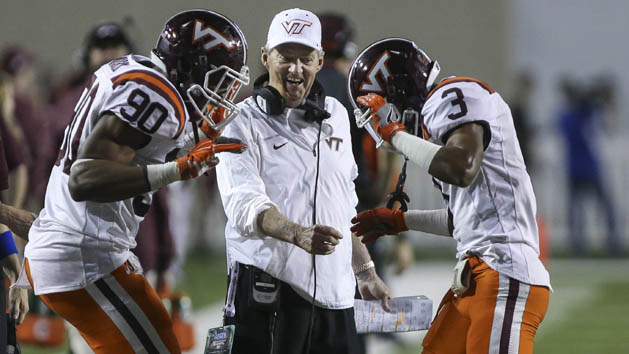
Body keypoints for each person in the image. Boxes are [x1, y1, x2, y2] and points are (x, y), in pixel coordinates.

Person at [20, 9, 250, 353]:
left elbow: (131, 151)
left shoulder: (132, 70)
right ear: (192, 67)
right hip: (86, 251)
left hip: (78, 244)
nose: (222, 93)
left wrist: (187, 142)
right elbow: (85, 178)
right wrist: (178, 169)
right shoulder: (157, 95)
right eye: (218, 79)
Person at [348, 38, 550, 354]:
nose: (376, 128)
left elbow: (461, 167)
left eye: (377, 113)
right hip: (476, 278)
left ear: (396, 94)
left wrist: (394, 134)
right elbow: (463, 219)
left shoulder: (452, 93)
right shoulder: (439, 127)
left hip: (503, 272)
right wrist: (402, 221)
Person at [216, 8, 391, 354]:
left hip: (336, 298)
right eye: (286, 57)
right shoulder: (239, 121)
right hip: (267, 295)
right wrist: (298, 233)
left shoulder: (337, 116)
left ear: (320, 60)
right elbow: (245, 205)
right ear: (266, 58)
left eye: (305, 58)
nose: (296, 69)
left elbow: (343, 204)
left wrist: (365, 272)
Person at [557, 76, 621, 256]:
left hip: (584, 167)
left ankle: (609, 243)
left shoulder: (577, 113)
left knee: (597, 207)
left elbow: (607, 118)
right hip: (582, 168)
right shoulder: (570, 116)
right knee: (579, 210)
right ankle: (580, 245)